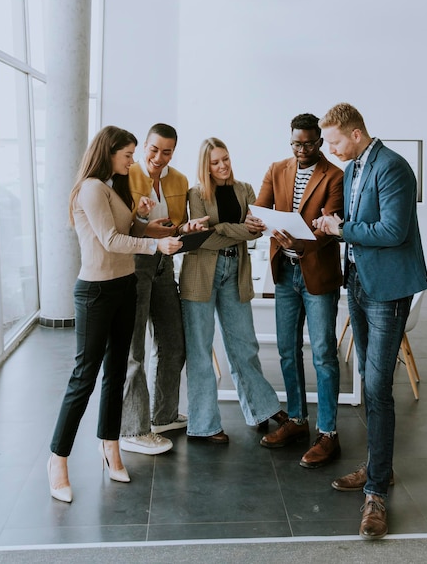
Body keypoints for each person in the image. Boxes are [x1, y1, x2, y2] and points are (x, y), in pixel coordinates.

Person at [47, 125, 183, 503]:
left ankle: (110, 447)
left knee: (115, 372)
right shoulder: (91, 188)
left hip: (124, 288)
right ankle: (57, 460)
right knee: (84, 377)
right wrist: (156, 246)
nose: (133, 160)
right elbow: (110, 240)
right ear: (109, 152)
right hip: (96, 293)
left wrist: (146, 222)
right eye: (128, 155)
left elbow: (127, 228)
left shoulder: (113, 187)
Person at [314, 102, 427, 540]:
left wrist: (341, 231)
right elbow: (366, 223)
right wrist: (339, 223)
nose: (330, 148)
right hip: (359, 284)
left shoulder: (393, 167)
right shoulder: (359, 166)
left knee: (378, 388)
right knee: (368, 379)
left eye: (335, 140)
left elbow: (393, 231)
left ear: (356, 134)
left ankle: (376, 491)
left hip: (386, 289)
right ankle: (379, 467)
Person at [247, 113, 344, 469]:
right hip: (284, 274)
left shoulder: (335, 176)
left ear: (319, 141)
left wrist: (300, 242)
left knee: (323, 354)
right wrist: (256, 222)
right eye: (296, 143)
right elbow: (260, 208)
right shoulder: (277, 168)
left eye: (308, 143)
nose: (301, 150)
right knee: (288, 351)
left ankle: (328, 433)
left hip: (316, 273)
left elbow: (330, 225)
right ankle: (298, 421)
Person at [180, 137, 287, 443]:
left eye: (225, 159)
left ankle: (262, 409)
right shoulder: (196, 193)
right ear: (206, 165)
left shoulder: (245, 190)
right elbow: (206, 238)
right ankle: (204, 425)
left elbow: (256, 233)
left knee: (244, 345)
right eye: (215, 162)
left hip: (234, 271)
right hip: (200, 274)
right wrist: (237, 230)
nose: (222, 166)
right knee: (200, 352)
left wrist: (229, 230)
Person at [120, 123, 208, 455]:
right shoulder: (126, 176)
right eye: (154, 149)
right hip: (134, 266)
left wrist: (190, 227)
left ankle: (163, 416)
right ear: (145, 146)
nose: (159, 157)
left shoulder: (179, 180)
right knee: (135, 352)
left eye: (167, 151)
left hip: (164, 266)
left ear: (174, 151)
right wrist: (146, 227)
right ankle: (132, 429)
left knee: (174, 344)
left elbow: (175, 225)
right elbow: (120, 228)